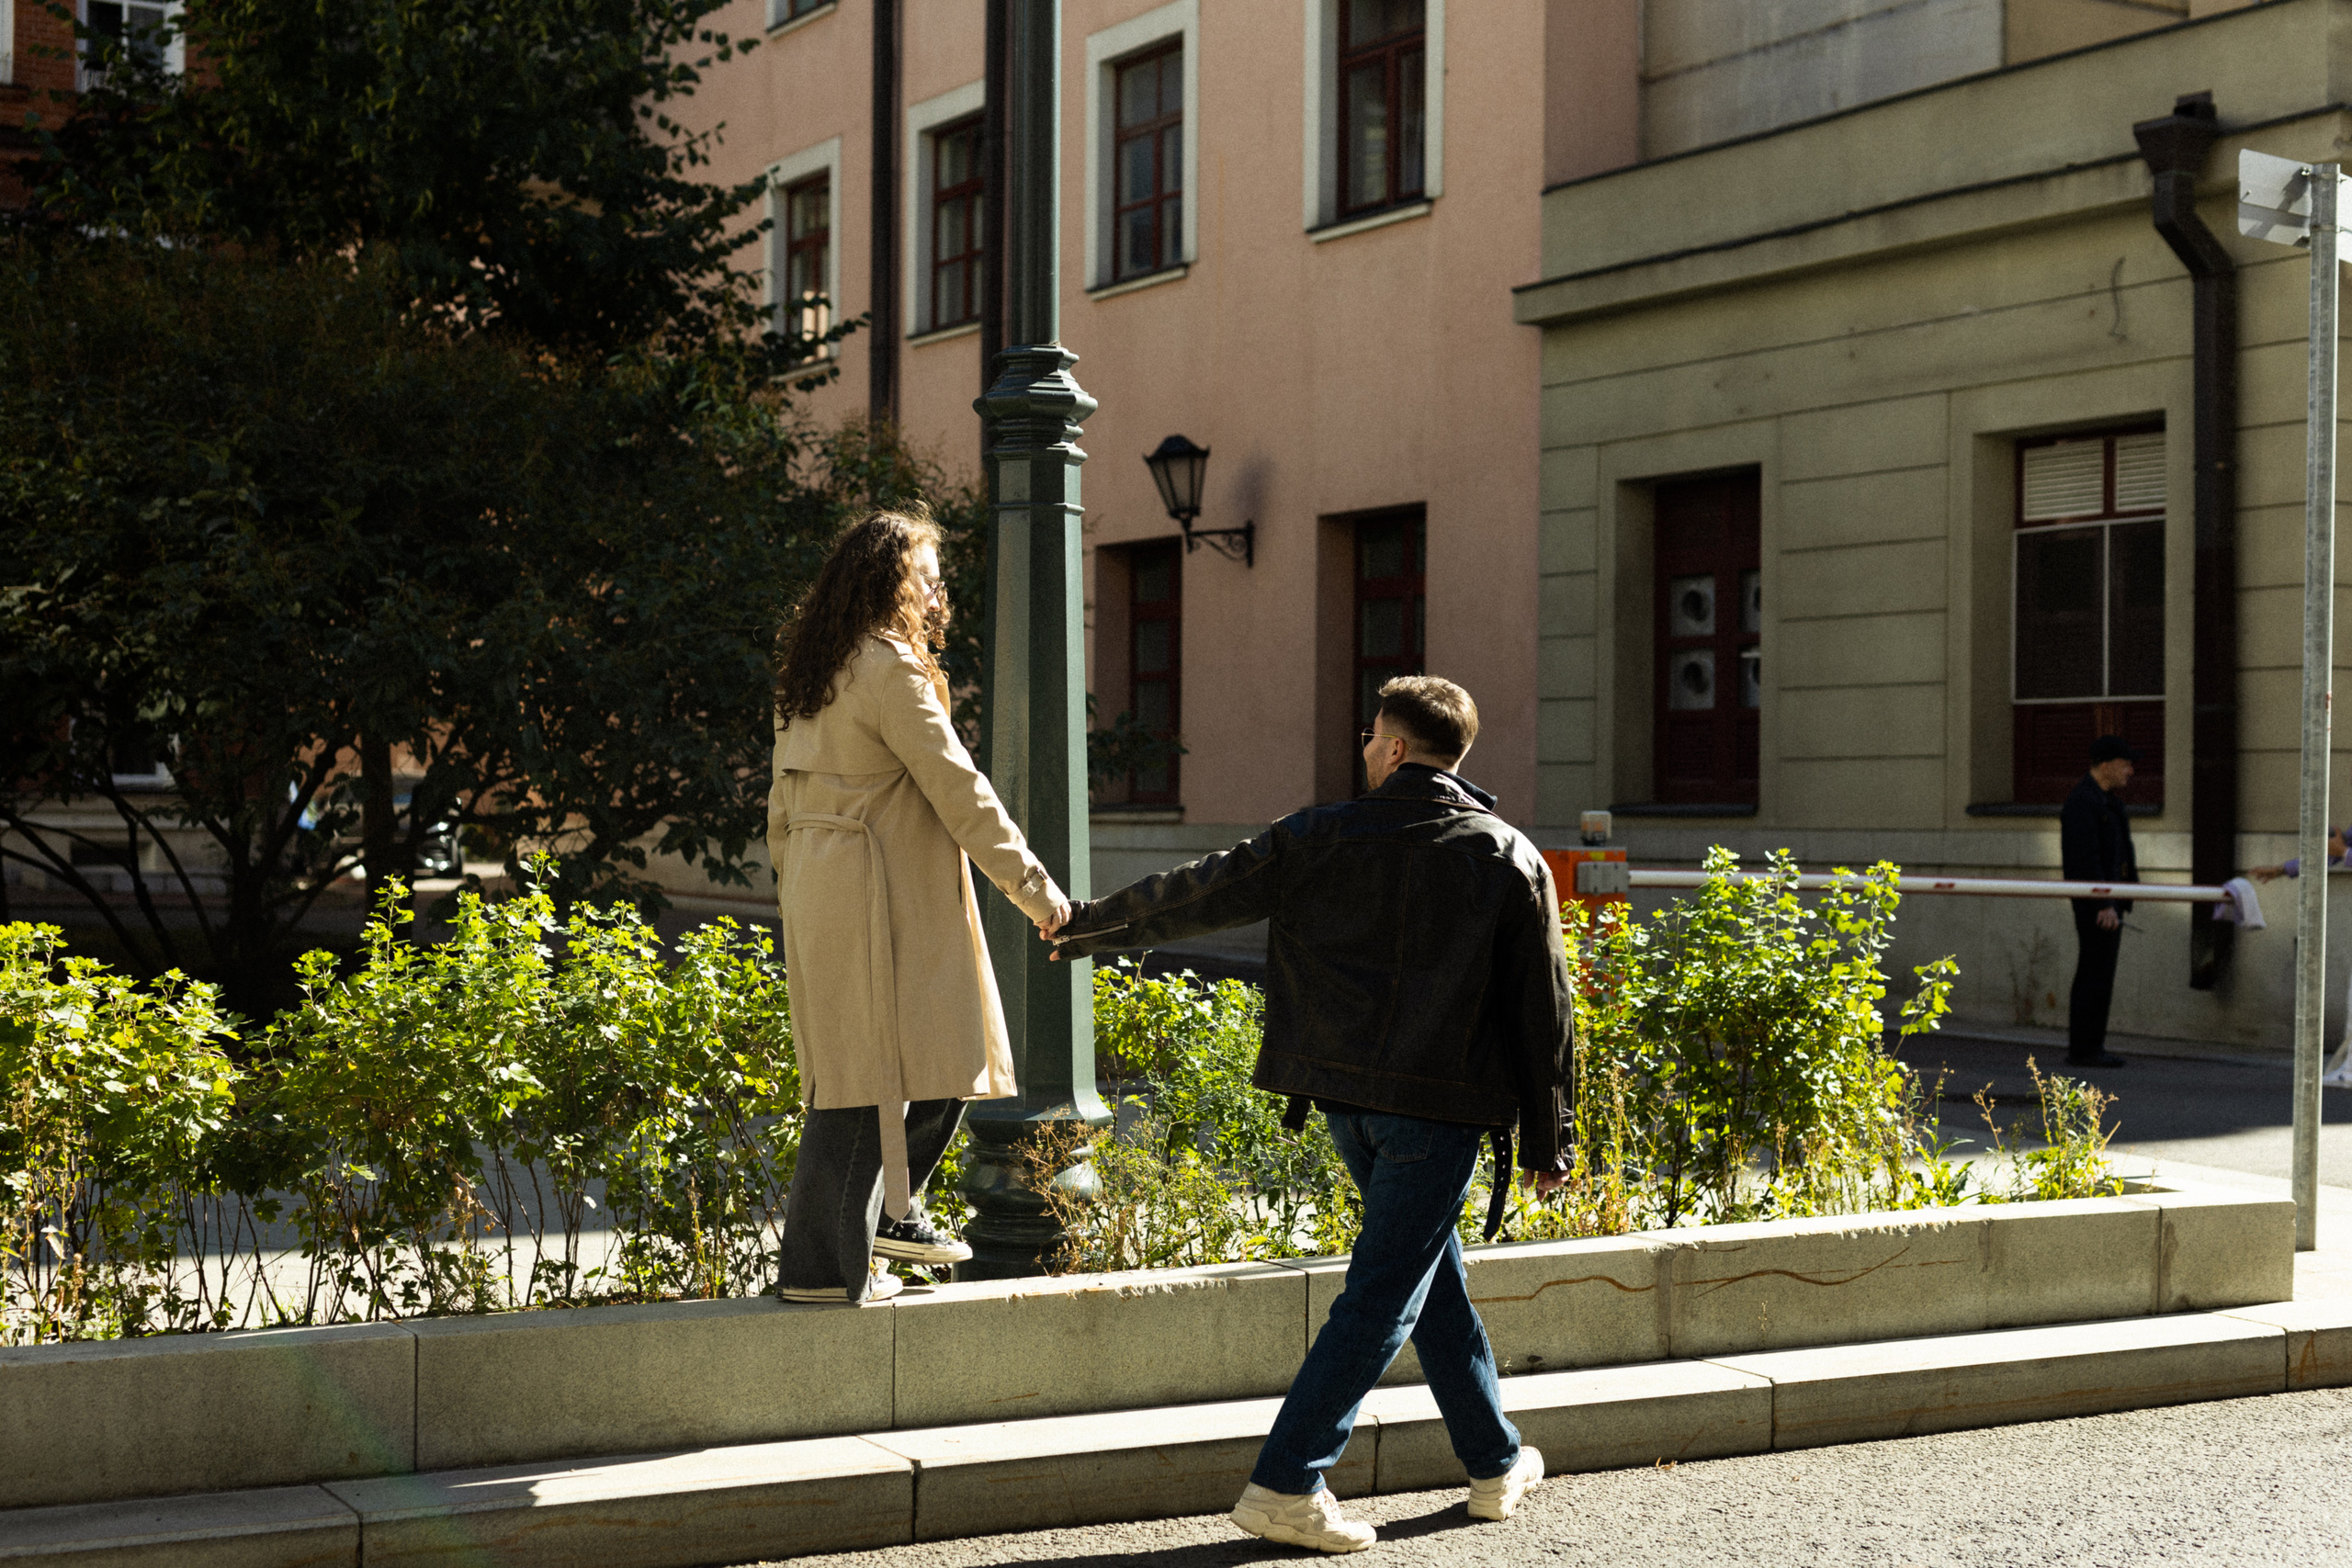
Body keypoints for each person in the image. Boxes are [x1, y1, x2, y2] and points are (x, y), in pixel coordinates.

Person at [1046, 676, 1576, 1552]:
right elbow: (1543, 1013)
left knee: (1416, 1275)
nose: (1365, 749)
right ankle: (1289, 1481)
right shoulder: (1508, 856)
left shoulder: (1317, 835)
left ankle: (1492, 1460)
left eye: (1372, 736)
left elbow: (1198, 892)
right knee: (1392, 1284)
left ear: (1399, 747)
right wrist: (1549, 1142)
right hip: (1438, 1112)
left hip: (1344, 1101)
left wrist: (1087, 925)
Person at [768, 506, 1070, 1304]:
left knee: (859, 1069)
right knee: (924, 1053)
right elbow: (961, 791)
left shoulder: (810, 673)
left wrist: (799, 885)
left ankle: (878, 1225)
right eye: (927, 577)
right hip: (880, 894)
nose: (938, 592)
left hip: (820, 886)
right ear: (891, 583)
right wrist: (1036, 890)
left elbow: (779, 809)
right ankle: (831, 1265)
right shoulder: (889, 667)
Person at [2059, 735, 2139, 1069]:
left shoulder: (2108, 801)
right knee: (2094, 972)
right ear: (2106, 765)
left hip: (2111, 902)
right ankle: (2085, 1048)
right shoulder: (2083, 802)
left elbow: (2119, 852)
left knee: (2100, 972)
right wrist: (2102, 904)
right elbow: (2084, 859)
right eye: (2125, 764)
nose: (2131, 771)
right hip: (2099, 905)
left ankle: (2092, 1045)